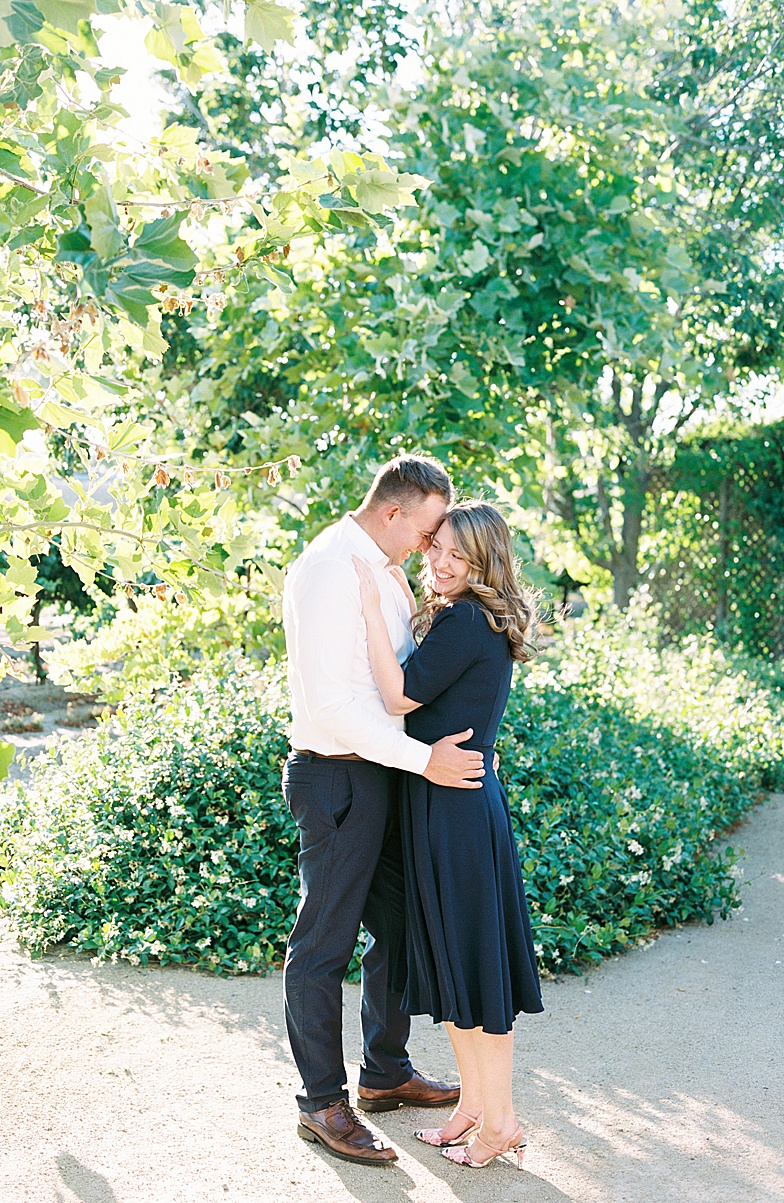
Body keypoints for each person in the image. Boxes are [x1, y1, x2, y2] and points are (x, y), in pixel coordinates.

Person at [279, 455, 486, 1167]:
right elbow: (338, 706)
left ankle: (385, 1070)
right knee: (322, 945)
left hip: (382, 774)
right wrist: (427, 760)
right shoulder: (331, 568)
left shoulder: (383, 569)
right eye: (429, 531)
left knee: (398, 926)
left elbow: (397, 680)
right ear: (396, 512)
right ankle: (321, 1101)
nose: (432, 547)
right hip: (337, 777)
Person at [352, 499, 544, 1169]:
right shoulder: (470, 617)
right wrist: (405, 599)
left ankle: (502, 1120)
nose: (439, 560)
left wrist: (373, 611)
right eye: (435, 548)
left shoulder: (465, 617)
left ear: (483, 562)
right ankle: (473, 1109)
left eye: (454, 555)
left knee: (476, 973)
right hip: (451, 804)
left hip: (455, 812)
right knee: (463, 973)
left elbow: (402, 696)